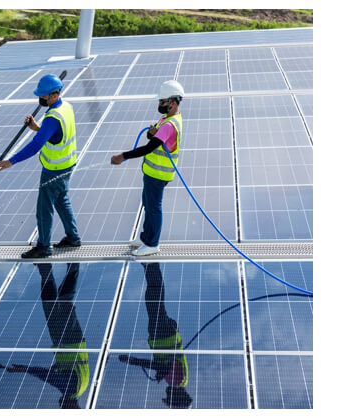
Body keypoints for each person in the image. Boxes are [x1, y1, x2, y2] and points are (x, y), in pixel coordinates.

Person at [0, 74, 82, 259]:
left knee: (44, 208)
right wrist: (37, 127)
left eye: (44, 96)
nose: (41, 99)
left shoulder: (52, 117)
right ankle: (73, 237)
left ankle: (43, 246)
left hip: (54, 169)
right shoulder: (66, 107)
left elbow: (35, 146)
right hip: (68, 164)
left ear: (54, 95)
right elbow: (56, 134)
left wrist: (11, 161)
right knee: (62, 200)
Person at [110, 80, 184, 256]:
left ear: (173, 102)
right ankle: (145, 237)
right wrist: (151, 133)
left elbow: (148, 148)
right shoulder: (168, 119)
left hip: (159, 174)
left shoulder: (169, 125)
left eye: (162, 101)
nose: (159, 104)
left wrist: (123, 156)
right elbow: (153, 139)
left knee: (153, 207)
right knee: (148, 204)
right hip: (152, 172)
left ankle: (152, 243)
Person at [7, 263, 89, 408]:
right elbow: (48, 377)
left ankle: (74, 264)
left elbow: (74, 366)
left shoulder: (83, 387)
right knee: (49, 304)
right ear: (71, 407)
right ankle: (45, 268)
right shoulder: (70, 390)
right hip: (65, 340)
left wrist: (56, 367)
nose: (60, 406)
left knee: (65, 300)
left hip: (77, 340)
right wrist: (24, 369)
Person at [118, 263, 192, 408]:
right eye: (170, 397)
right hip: (163, 336)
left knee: (154, 301)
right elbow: (161, 366)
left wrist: (161, 372)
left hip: (165, 335)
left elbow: (166, 365)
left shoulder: (180, 381)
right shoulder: (176, 382)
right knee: (154, 299)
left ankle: (149, 266)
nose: (167, 394)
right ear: (179, 395)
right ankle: (151, 265)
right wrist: (132, 361)